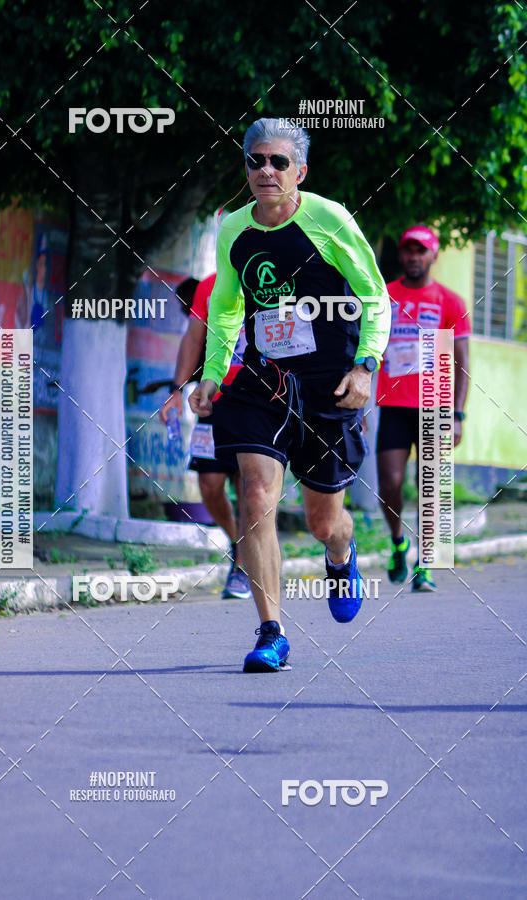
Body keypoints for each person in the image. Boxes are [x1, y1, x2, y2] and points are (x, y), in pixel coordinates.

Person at [189, 118, 391, 673]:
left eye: (279, 162)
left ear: (300, 170)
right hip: (263, 381)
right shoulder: (232, 228)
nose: (266, 171)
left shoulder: (329, 219)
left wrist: (366, 366)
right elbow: (227, 305)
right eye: (256, 161)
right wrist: (212, 373)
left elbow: (374, 297)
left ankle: (341, 555)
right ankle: (270, 631)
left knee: (325, 520)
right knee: (255, 494)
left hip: (330, 385)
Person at [376, 225, 470, 591]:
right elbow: (371, 348)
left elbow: (462, 361)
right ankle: (400, 542)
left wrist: (457, 414)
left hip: (433, 403)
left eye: (421, 251)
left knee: (429, 486)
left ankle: (426, 562)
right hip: (394, 403)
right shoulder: (385, 295)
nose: (413, 258)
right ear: (401, 256)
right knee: (391, 484)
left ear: (433, 256)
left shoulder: (450, 301)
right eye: (408, 251)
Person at [161, 274, 252, 600]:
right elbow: (193, 339)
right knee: (210, 486)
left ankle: (243, 566)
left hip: (258, 398)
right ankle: (240, 543)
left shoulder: (274, 273)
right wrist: (176, 390)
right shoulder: (210, 285)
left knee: (249, 485)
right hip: (213, 396)